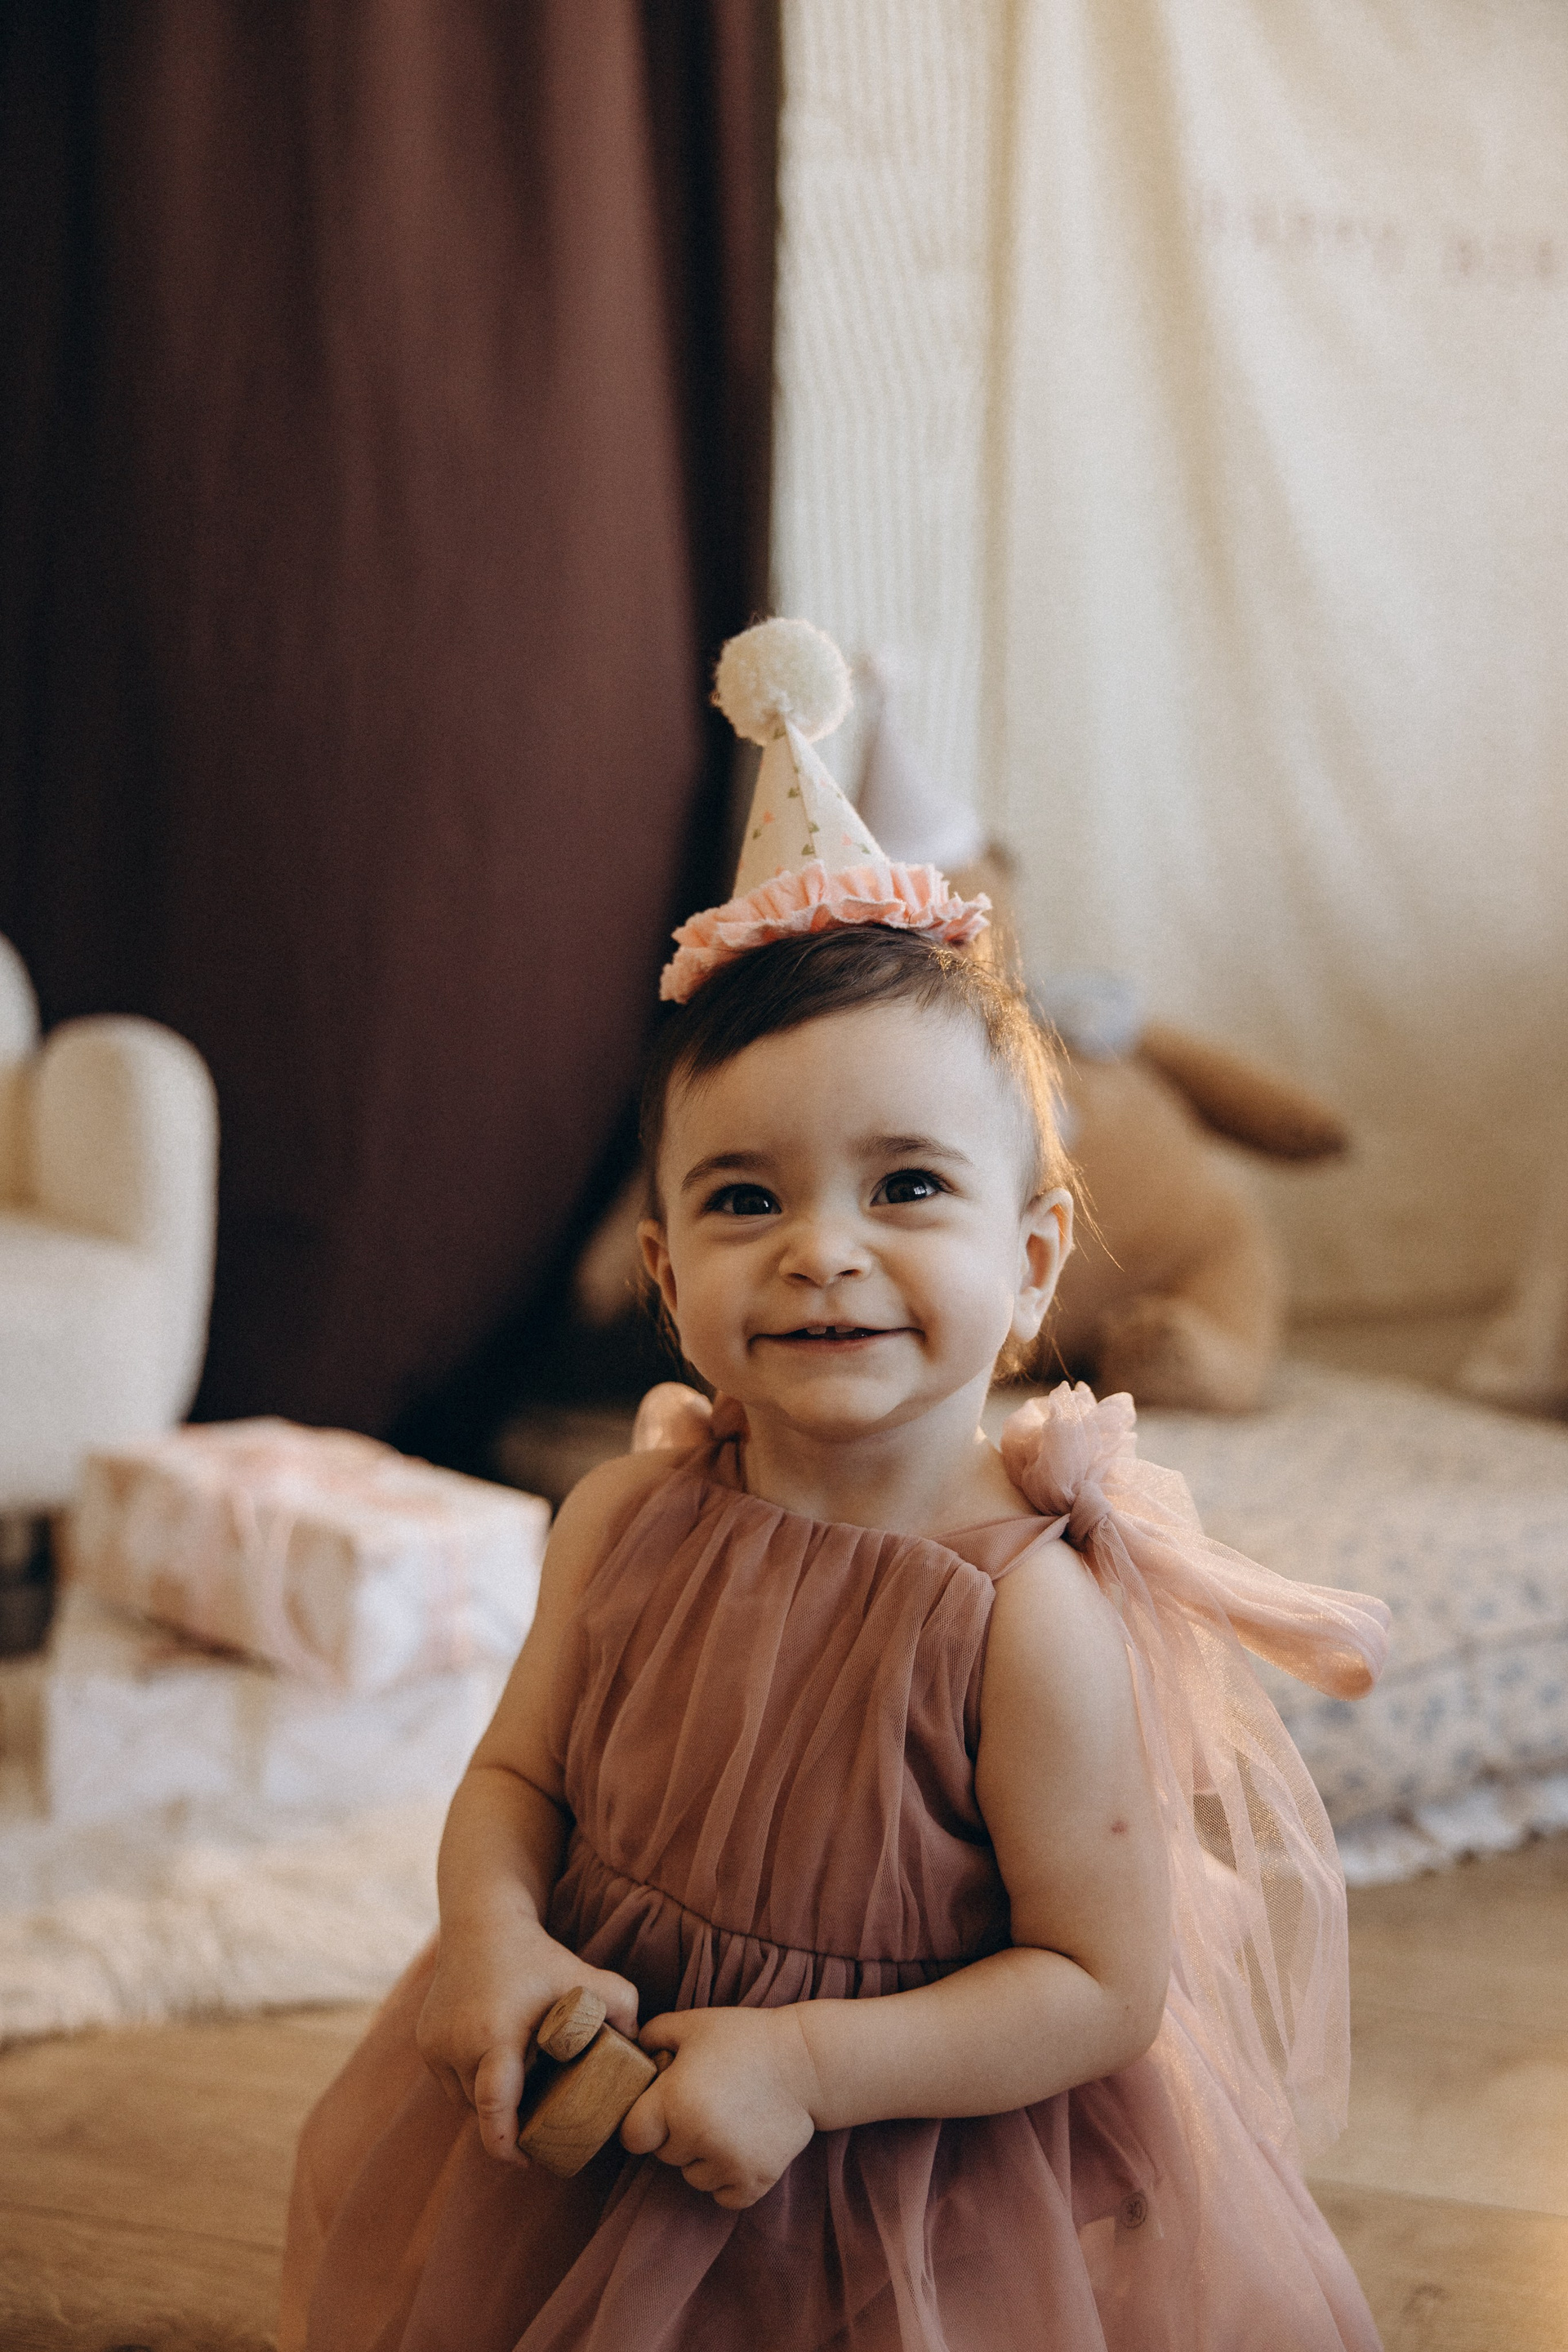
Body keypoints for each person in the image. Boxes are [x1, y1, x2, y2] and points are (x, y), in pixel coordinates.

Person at [280, 622, 1389, 2351]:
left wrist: (807, 2062)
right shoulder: (621, 1522)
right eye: (745, 1198)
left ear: (1033, 1266)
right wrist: (493, 1933)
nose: (821, 1250)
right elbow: (515, 1780)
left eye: (908, 1186)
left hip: (908, 2184)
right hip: (610, 2120)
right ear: (666, 1273)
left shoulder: (1022, 1613)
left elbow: (1098, 1985)